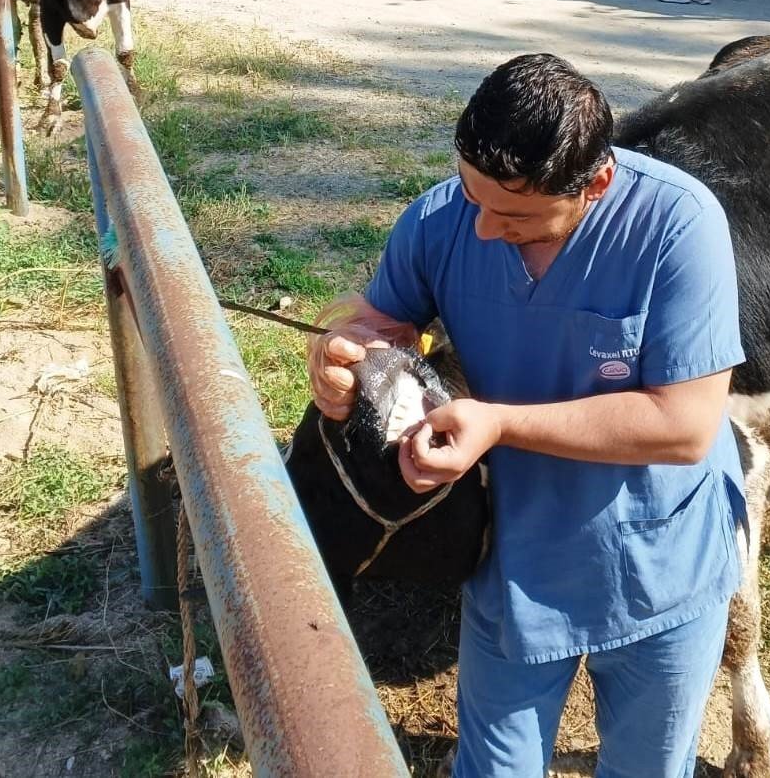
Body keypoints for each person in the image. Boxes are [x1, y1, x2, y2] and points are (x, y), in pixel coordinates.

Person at [307, 53, 745, 778]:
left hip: (658, 562)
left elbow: (685, 425)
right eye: (472, 196)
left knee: (647, 767)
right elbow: (380, 322)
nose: (481, 230)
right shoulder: (444, 219)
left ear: (595, 184)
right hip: (512, 557)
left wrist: (501, 425)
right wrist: (344, 351)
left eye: (516, 218)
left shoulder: (678, 225)